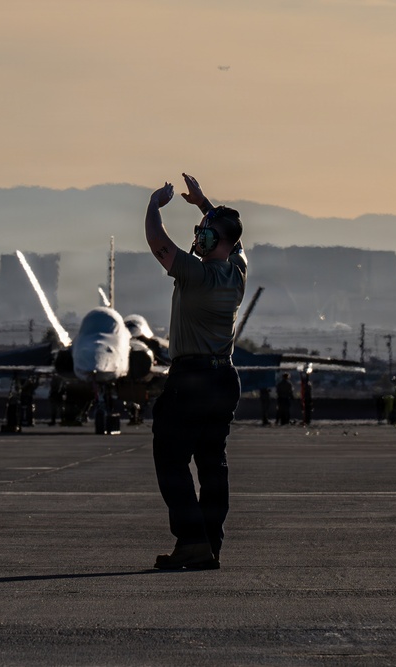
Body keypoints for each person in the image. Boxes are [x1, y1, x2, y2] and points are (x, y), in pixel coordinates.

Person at [144, 173, 246, 570]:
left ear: (215, 242)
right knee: (212, 461)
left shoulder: (198, 275)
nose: (199, 235)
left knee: (170, 458)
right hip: (224, 378)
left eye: (206, 232)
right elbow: (235, 240)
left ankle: (190, 540)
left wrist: (154, 206)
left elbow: (159, 243)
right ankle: (209, 543)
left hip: (191, 380)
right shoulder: (237, 269)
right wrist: (204, 205)